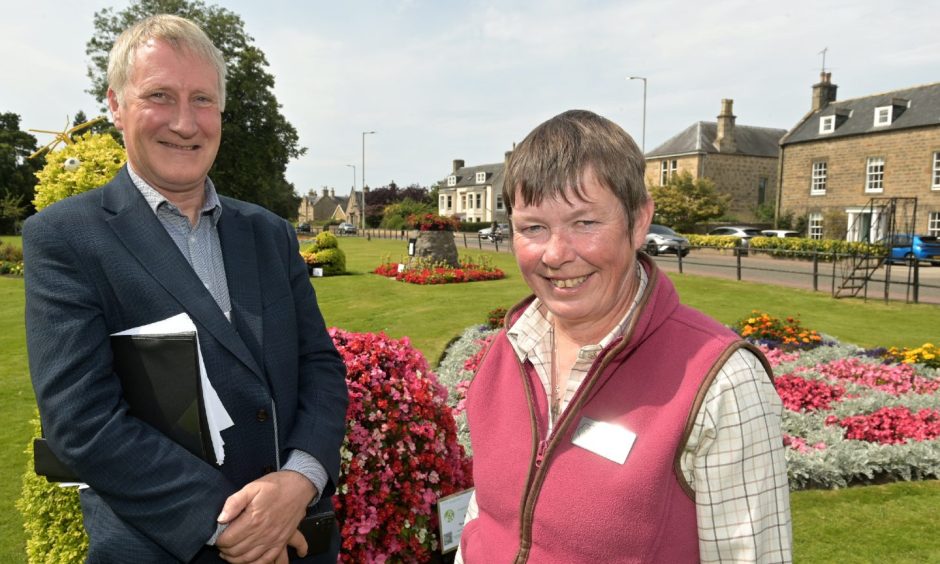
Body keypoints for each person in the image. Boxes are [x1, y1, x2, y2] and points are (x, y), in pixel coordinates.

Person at [23, 14, 348, 563]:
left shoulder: (269, 233)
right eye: (159, 96)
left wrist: (300, 480)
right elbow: (83, 421)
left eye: (202, 99)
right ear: (116, 106)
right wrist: (230, 525)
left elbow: (319, 365)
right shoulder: (65, 238)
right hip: (161, 549)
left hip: (296, 541)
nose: (184, 122)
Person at [457, 110, 792, 563]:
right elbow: (487, 512)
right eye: (533, 228)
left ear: (638, 222)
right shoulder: (506, 350)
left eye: (585, 223)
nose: (555, 255)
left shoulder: (723, 381)